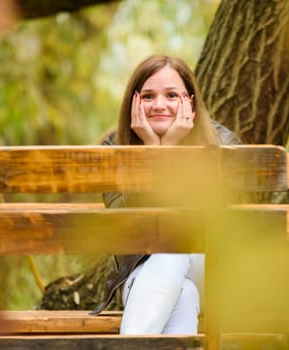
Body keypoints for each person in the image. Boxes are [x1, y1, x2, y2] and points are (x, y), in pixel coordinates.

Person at [90, 54, 241, 335]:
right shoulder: (113, 147)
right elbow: (125, 228)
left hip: (213, 271)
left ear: (190, 103)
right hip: (144, 276)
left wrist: (168, 151)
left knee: (172, 249)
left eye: (171, 95)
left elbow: (209, 226)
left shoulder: (222, 145)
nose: (159, 105)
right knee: (183, 296)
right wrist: (154, 153)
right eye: (148, 96)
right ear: (133, 103)